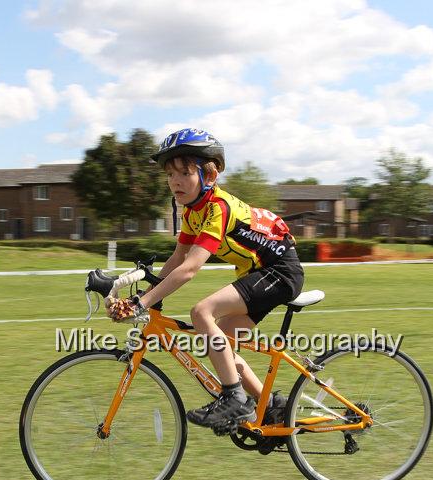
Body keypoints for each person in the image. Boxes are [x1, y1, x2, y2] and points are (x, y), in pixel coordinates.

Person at [107, 128, 304, 430]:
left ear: (208, 176)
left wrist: (140, 302)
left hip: (279, 271)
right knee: (219, 346)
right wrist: (145, 296)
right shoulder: (192, 213)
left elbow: (189, 269)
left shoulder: (217, 209)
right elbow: (176, 260)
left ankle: (235, 400)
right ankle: (271, 406)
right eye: (170, 174)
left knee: (201, 312)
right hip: (258, 273)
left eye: (184, 173)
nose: (175, 181)